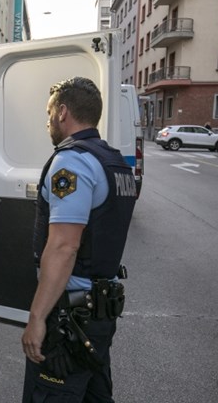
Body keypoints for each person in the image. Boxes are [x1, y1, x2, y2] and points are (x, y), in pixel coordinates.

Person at [21, 77, 138, 402]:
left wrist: (37, 319)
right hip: (98, 317)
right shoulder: (114, 162)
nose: (47, 122)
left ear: (62, 112)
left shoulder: (71, 162)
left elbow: (64, 246)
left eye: (48, 113)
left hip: (70, 322)